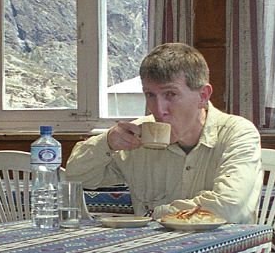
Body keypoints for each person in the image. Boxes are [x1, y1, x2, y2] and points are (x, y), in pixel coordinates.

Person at [66, 42, 262, 223]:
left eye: (171, 94)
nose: (158, 110)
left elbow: (229, 207)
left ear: (203, 96)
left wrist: (156, 214)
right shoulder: (139, 134)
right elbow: (75, 177)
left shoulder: (237, 133)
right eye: (150, 95)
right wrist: (106, 142)